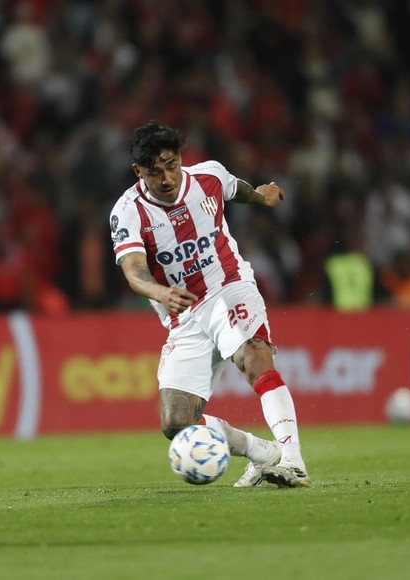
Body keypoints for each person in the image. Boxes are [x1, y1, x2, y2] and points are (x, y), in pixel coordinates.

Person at [110, 121, 310, 488]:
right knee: (175, 422)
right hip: (183, 315)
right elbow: (134, 270)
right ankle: (262, 452)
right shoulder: (128, 212)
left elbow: (239, 190)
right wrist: (160, 292)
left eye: (171, 165)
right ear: (138, 171)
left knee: (254, 356)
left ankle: (293, 460)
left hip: (227, 287)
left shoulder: (208, 177)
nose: (167, 178)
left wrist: (262, 196)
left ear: (181, 158)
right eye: (155, 172)